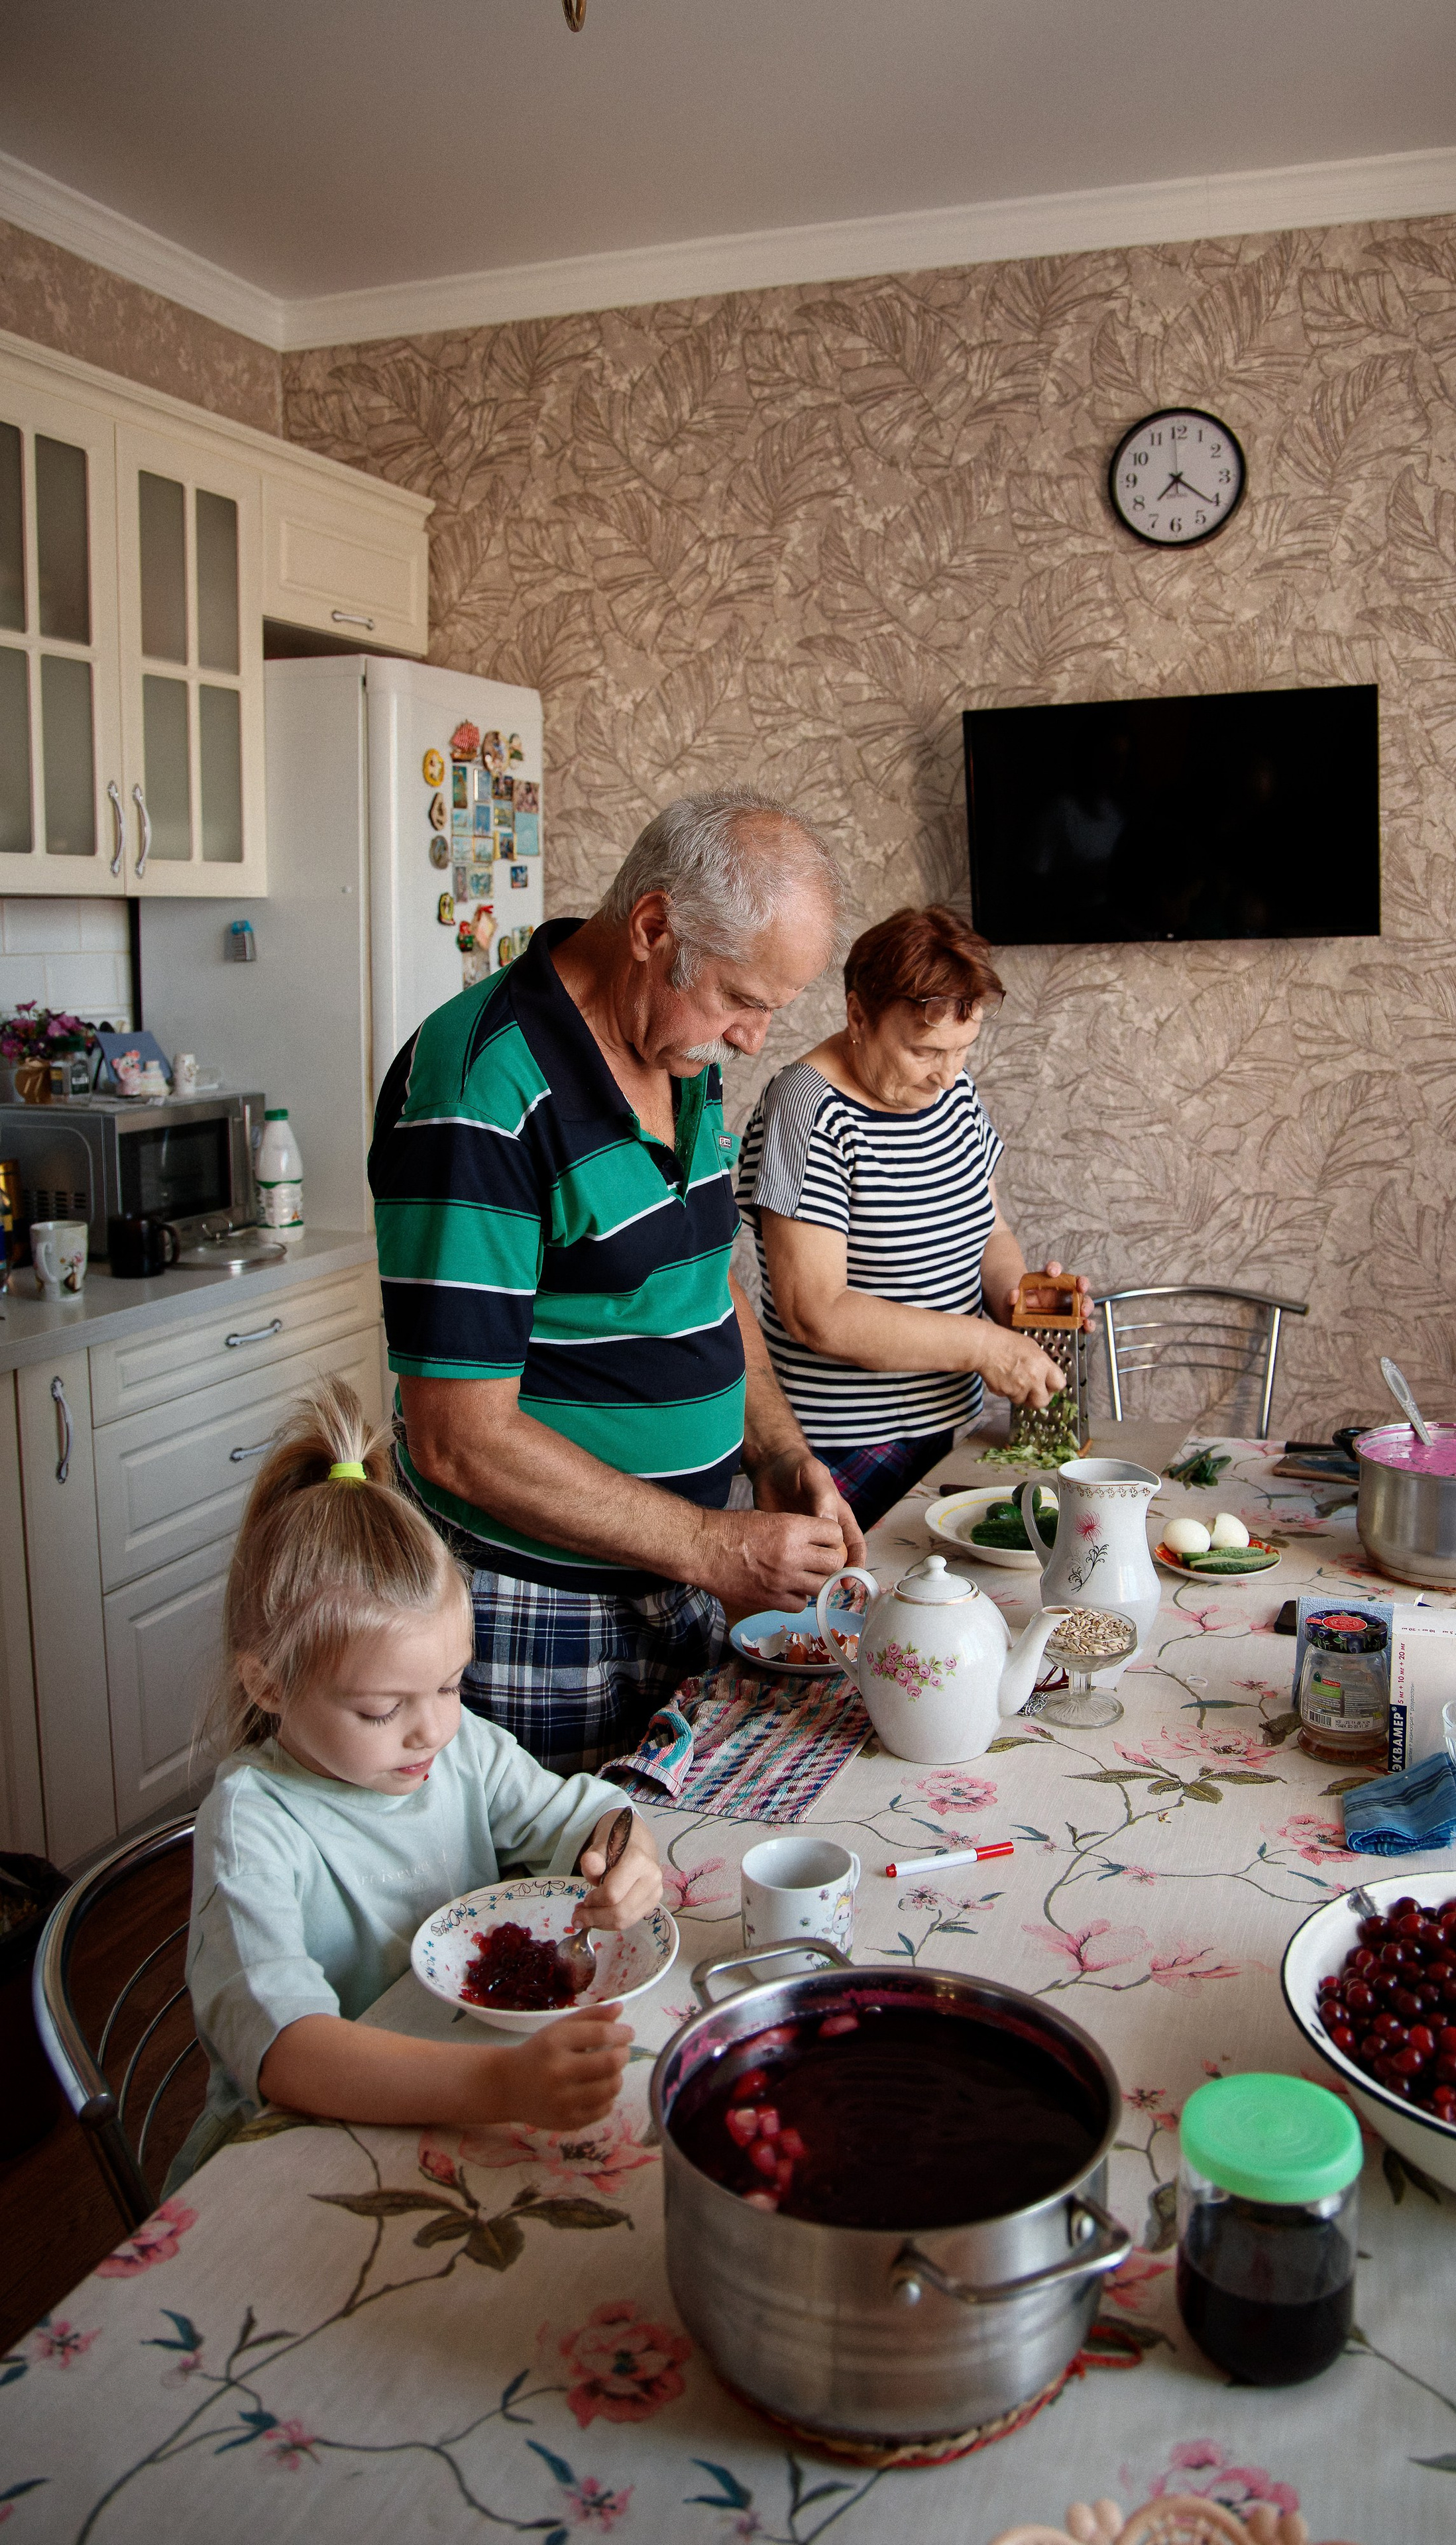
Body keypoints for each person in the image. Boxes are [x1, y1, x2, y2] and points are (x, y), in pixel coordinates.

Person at [369, 789, 866, 1774]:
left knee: (673, 1892)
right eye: (742, 1000)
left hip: (672, 1580)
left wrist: (774, 1450)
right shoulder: (480, 1091)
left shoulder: (678, 1050)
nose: (753, 1040)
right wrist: (716, 1549)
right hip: (532, 1617)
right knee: (561, 1912)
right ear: (652, 927)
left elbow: (701, 1276)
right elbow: (458, 1440)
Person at [172, 1377, 659, 2186]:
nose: (432, 1728)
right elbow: (289, 2049)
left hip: (451, 2094)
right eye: (380, 1710)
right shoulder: (252, 1823)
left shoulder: (457, 1748)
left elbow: (598, 1813)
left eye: (448, 1685)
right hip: (303, 2160)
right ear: (268, 1687)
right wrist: (502, 2084)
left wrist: (626, 1856)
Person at [736, 904, 1084, 1530]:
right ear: (858, 1016)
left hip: (951, 1427)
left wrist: (1022, 1303)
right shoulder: (807, 1110)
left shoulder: (953, 1093)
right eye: (925, 1050)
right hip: (843, 1450)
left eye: (963, 1049)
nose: (948, 1073)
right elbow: (817, 1313)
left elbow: (990, 1231)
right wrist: (984, 1347)